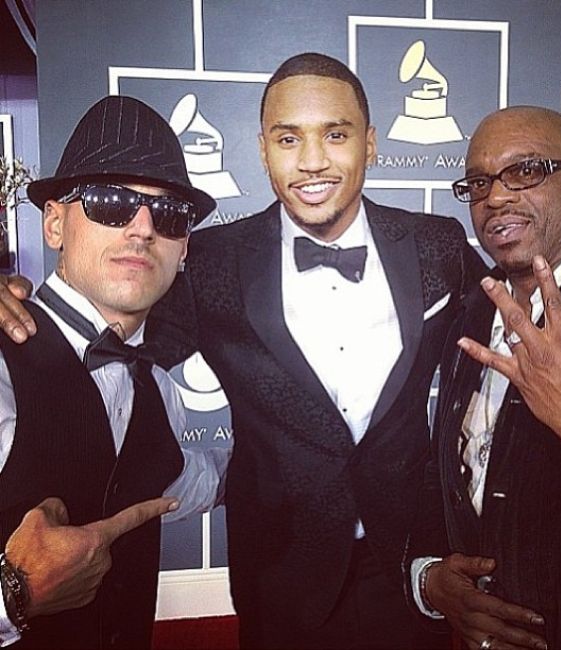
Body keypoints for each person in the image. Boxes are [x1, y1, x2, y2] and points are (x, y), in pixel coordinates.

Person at [0, 53, 486, 649]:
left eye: (335, 134)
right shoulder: (207, 263)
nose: (312, 161)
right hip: (281, 580)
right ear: (262, 150)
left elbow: (514, 317)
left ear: (372, 143)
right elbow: (109, 318)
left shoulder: (437, 245)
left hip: (417, 570)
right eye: (289, 138)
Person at [406, 106, 561, 650]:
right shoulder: (470, 309)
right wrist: (431, 578)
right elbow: (445, 471)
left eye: (526, 171)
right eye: (478, 183)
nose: (495, 197)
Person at [0, 95, 228, 649]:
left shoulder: (155, 383)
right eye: (110, 202)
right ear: (55, 222)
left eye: (169, 213)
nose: (144, 227)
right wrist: (11, 596)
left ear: (184, 248)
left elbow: (182, 480)